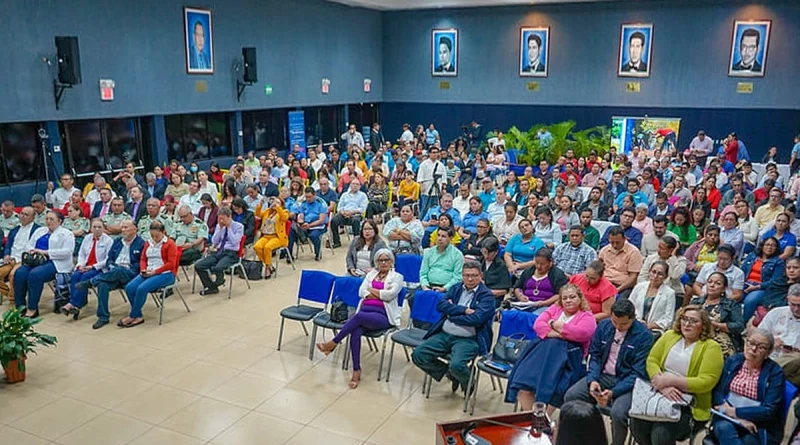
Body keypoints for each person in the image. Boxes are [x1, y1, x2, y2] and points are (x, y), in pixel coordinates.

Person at [629, 305, 724, 445]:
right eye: (684, 319)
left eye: (693, 321)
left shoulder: (711, 347)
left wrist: (671, 381)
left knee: (661, 432)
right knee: (637, 423)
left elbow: (706, 382)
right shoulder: (670, 336)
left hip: (689, 403)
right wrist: (662, 386)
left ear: (703, 325)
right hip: (659, 392)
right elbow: (652, 360)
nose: (687, 324)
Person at [563, 299, 653, 445]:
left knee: (618, 413)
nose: (618, 327)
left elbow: (637, 373)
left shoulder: (644, 336)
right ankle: (583, 439)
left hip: (627, 381)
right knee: (571, 396)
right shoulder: (604, 326)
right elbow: (595, 356)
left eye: (623, 324)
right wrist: (592, 380)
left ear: (633, 318)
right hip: (603, 375)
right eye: (615, 322)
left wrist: (613, 392)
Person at [317, 248, 404, 388]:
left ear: (391, 261)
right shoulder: (371, 275)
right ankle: (356, 370)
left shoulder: (397, 277)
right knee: (355, 331)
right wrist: (377, 292)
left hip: (383, 316)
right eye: (380, 260)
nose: (383, 263)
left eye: (386, 260)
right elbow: (361, 292)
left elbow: (390, 295)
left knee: (358, 317)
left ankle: (333, 343)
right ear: (376, 262)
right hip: (365, 312)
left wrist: (371, 291)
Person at [506, 284, 598, 412]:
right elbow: (538, 325)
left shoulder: (587, 316)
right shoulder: (555, 308)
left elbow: (582, 333)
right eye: (565, 298)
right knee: (522, 384)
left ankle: (541, 422)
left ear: (580, 298)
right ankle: (534, 419)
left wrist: (554, 324)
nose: (568, 301)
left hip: (568, 360)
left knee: (556, 389)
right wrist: (560, 333)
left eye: (572, 297)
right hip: (541, 352)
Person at [412, 261, 495, 393]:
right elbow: (441, 306)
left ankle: (467, 380)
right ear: (462, 276)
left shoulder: (487, 296)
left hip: (468, 339)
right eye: (466, 275)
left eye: (474, 275)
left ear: (481, 276)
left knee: (456, 365)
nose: (470, 279)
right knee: (418, 355)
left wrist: (452, 314)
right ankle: (451, 374)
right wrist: (463, 310)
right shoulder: (456, 288)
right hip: (444, 334)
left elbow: (476, 319)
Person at [710, 329, 785, 445]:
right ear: (745, 342)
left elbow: (769, 410)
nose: (753, 349)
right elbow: (718, 391)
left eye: (761, 347)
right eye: (751, 343)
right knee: (724, 428)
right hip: (726, 417)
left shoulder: (775, 372)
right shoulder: (733, 360)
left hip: (758, 424)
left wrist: (735, 412)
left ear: (768, 353)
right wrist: (735, 416)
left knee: (748, 441)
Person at [74, 220, 144, 329]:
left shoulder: (141, 243)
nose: (123, 230)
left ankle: (91, 282)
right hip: (114, 272)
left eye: (126, 228)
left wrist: (126, 268)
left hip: (131, 274)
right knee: (103, 284)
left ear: (134, 229)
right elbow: (109, 259)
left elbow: (141, 263)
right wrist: (112, 266)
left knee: (120, 270)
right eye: (122, 228)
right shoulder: (117, 241)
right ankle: (103, 317)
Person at [14, 211, 75, 318]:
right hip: (35, 260)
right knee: (19, 273)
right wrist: (33, 250)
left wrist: (46, 252)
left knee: (35, 275)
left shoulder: (67, 234)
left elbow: (67, 252)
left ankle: (32, 308)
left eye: (51, 219)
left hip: (55, 262)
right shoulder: (40, 231)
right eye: (47, 219)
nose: (48, 221)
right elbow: (28, 245)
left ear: (59, 221)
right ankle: (20, 306)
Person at [119, 221, 177, 328]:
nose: (154, 238)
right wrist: (143, 269)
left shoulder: (170, 244)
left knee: (142, 289)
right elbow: (143, 259)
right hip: (148, 271)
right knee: (130, 287)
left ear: (163, 232)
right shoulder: (148, 243)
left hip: (165, 274)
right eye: (152, 235)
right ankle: (138, 315)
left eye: (157, 235)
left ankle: (133, 315)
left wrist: (156, 271)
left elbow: (171, 264)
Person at [60, 219, 113, 319]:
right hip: (85, 266)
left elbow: (108, 259)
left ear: (103, 228)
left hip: (99, 268)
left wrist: (92, 266)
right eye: (94, 227)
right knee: (75, 275)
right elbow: (82, 254)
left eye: (99, 227)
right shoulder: (87, 238)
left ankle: (74, 304)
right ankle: (77, 302)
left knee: (85, 277)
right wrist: (80, 264)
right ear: (90, 228)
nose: (97, 229)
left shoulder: (108, 241)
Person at [690, 272, 744, 359]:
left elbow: (739, 326)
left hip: (719, 341)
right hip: (695, 336)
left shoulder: (731, 304)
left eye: (717, 283)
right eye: (710, 282)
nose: (712, 285)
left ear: (723, 289)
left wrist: (717, 325)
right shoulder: (696, 302)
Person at [195, 207, 243, 296]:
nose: (221, 221)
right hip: (219, 251)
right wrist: (220, 229)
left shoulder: (238, 226)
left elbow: (234, 241)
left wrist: (228, 227)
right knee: (199, 266)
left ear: (229, 217)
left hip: (231, 253)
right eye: (219, 218)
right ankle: (211, 287)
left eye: (223, 218)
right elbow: (214, 241)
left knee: (218, 267)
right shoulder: (219, 226)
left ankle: (219, 281)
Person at [511, 248, 568, 314]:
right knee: (511, 314)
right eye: (537, 263)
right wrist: (520, 296)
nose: (539, 266)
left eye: (542, 264)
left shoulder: (558, 274)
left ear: (550, 262)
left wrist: (545, 302)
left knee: (534, 317)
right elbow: (517, 287)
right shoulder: (528, 271)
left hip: (545, 306)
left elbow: (560, 294)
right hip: (526, 305)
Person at [740, 237, 785, 321]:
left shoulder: (778, 262)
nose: (770, 247)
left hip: (762, 288)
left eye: (773, 245)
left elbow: (775, 281)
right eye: (767, 244)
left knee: (750, 300)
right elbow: (742, 271)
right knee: (733, 295)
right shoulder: (752, 256)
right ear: (762, 246)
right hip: (745, 283)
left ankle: (742, 325)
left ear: (776, 248)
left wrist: (757, 287)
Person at [0, 207, 37, 302]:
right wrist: (6, 255)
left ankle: (13, 301)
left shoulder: (37, 230)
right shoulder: (15, 230)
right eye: (22, 213)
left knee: (13, 275)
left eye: (26, 215)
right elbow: (8, 245)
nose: (23, 216)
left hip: (24, 260)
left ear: (33, 217)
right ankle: (10, 294)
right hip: (11, 259)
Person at [630, 261, 676, 332]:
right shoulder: (639, 287)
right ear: (649, 272)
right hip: (634, 324)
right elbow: (629, 307)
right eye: (653, 272)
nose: (655, 276)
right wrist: (637, 322)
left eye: (660, 274)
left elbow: (668, 319)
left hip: (654, 330)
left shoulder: (670, 293)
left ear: (665, 276)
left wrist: (649, 326)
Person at [598, 227, 643, 300]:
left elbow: (633, 277)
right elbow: (599, 269)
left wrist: (617, 289)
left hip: (624, 286)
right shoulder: (604, 250)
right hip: (605, 283)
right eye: (612, 242)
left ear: (624, 239)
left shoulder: (633, 252)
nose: (615, 245)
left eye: (617, 242)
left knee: (619, 304)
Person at [252, 197, 289, 279]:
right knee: (257, 247)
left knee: (267, 248)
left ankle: (267, 269)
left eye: (277, 202)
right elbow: (257, 215)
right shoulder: (267, 211)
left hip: (277, 237)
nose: (274, 204)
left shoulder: (284, 212)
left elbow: (284, 218)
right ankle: (269, 265)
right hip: (265, 235)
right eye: (274, 202)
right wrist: (260, 205)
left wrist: (278, 208)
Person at [420, 228, 464, 292]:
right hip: (428, 286)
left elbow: (458, 277)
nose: (439, 239)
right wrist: (425, 286)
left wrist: (444, 288)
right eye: (438, 235)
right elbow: (423, 273)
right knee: (412, 298)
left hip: (447, 288)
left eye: (443, 236)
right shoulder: (429, 252)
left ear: (450, 238)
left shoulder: (457, 255)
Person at [330, 179, 367, 249]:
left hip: (356, 214)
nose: (355, 186)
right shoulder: (344, 195)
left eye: (357, 184)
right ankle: (336, 241)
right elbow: (339, 207)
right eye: (353, 184)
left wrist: (352, 212)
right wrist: (343, 212)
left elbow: (363, 209)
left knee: (356, 221)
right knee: (334, 220)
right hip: (344, 214)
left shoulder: (363, 195)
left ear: (359, 186)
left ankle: (357, 242)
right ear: (350, 185)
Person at [480, 238, 512, 306]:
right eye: (484, 252)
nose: (486, 256)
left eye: (490, 253)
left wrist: (487, 292)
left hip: (493, 299)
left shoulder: (501, 266)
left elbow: (504, 291)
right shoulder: (480, 261)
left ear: (496, 252)